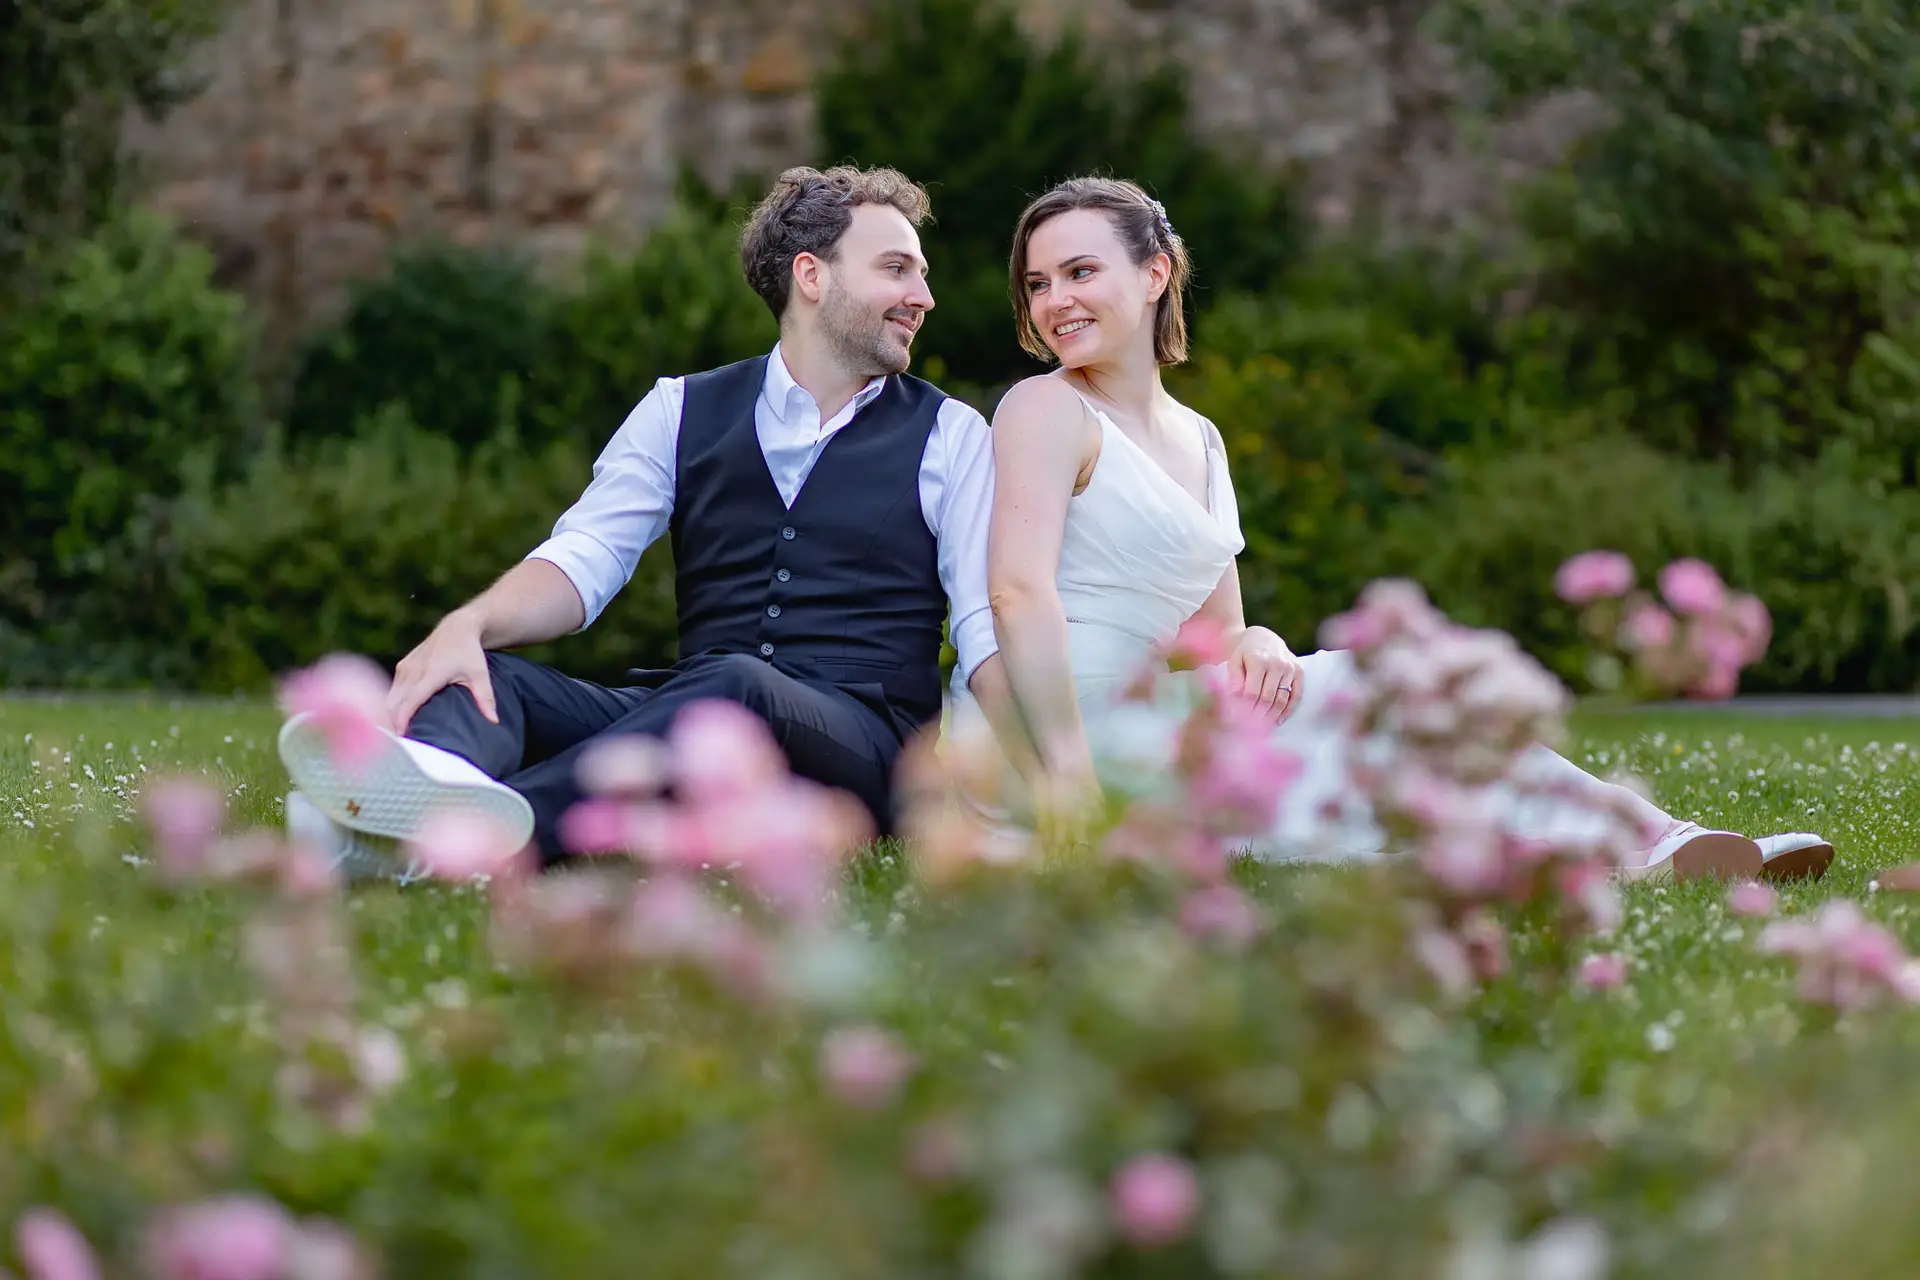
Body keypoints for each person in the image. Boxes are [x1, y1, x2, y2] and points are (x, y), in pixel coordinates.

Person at [954, 175, 1834, 884]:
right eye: (1037, 283)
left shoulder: (1201, 437)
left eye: (1079, 272)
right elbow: (1017, 590)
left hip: (1170, 704)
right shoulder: (1043, 408)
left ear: (1154, 275)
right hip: (1065, 725)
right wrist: (1065, 772)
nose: (1054, 301)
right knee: (1366, 709)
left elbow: (1215, 628)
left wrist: (1258, 638)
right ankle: (1612, 848)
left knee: (1389, 696)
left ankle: (1656, 837)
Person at [278, 164, 1017, 874]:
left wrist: (986, 794)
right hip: (693, 714)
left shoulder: (953, 435)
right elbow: (586, 555)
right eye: (896, 268)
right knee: (482, 676)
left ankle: (473, 838)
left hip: (862, 749)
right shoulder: (680, 408)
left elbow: (982, 628)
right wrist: (467, 625)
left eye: (920, 272)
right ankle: (394, 808)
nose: (922, 295)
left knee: (735, 687)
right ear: (811, 276)